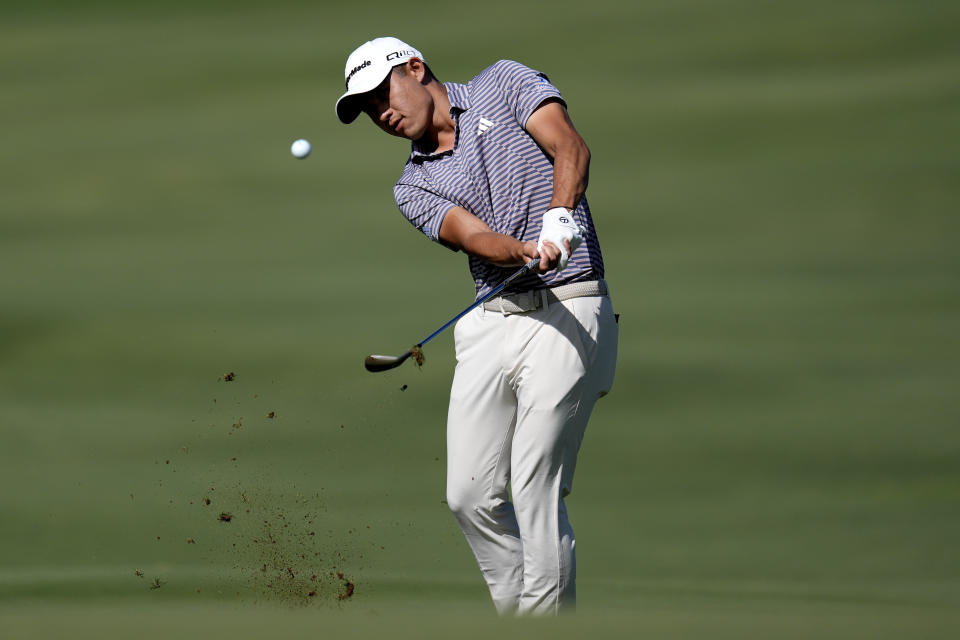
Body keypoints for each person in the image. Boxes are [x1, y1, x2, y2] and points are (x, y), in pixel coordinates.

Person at [335, 37, 618, 615]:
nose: (381, 114)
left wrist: (560, 222)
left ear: (415, 68)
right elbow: (472, 236)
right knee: (467, 494)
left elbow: (570, 147)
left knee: (535, 485)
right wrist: (520, 249)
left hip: (570, 307)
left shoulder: (504, 82)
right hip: (491, 320)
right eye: (366, 110)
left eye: (380, 94)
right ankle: (522, 616)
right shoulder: (411, 186)